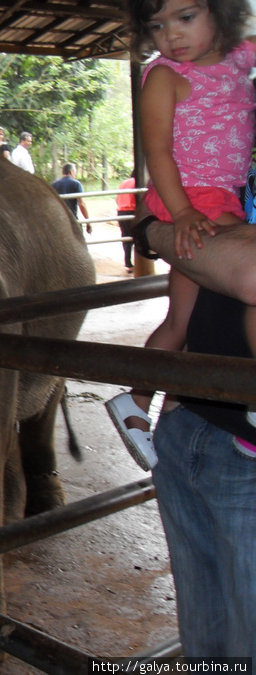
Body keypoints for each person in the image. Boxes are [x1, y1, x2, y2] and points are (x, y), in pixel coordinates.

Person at [106, 0, 256, 473]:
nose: (171, 34)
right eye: (158, 25)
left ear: (222, 14)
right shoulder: (164, 76)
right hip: (191, 198)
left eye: (185, 17)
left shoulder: (240, 58)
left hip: (222, 199)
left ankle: (135, 403)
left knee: (182, 322)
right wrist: (183, 211)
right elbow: (159, 154)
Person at [133, 214, 256, 657]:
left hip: (242, 450)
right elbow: (175, 324)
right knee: (203, 618)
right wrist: (137, 402)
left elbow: (251, 277)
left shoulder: (211, 232)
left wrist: (153, 230)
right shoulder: (210, 221)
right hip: (186, 427)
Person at [50, 163, 91, 232]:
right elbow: (82, 204)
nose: (75, 174)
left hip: (58, 221)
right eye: (75, 172)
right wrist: (88, 222)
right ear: (71, 172)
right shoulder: (76, 184)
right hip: (72, 220)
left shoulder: (53, 185)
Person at [116, 176, 137, 273]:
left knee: (126, 238)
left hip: (121, 212)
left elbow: (117, 199)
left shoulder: (123, 182)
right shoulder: (137, 183)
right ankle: (140, 263)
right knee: (137, 237)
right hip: (132, 211)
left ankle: (128, 263)